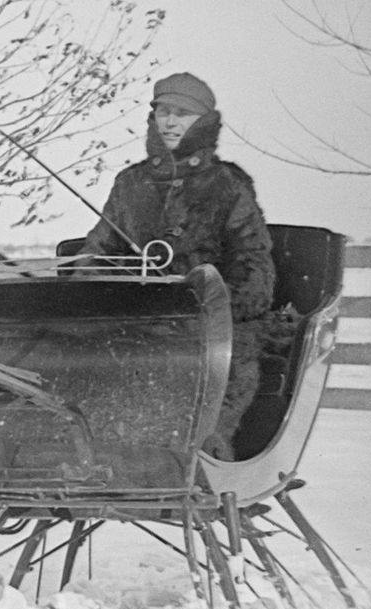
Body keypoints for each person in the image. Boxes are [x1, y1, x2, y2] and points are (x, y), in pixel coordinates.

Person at [79, 72, 276, 460]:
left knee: (225, 370)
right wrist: (95, 293)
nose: (169, 122)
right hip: (137, 322)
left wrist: (205, 304)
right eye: (163, 112)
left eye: (182, 114)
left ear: (202, 121)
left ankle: (203, 456)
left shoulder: (228, 185)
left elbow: (255, 272)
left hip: (211, 329)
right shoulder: (129, 184)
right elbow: (96, 254)